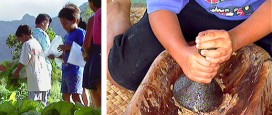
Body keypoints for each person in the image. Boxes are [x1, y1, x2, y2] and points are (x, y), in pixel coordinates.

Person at [107, 0, 272, 91]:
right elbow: (162, 6)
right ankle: (118, 7)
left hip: (258, 16)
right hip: (189, 7)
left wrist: (236, 39)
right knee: (123, 73)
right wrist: (182, 53)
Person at [55, 5, 86, 104]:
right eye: (62, 24)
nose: (64, 26)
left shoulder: (80, 33)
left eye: (65, 23)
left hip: (75, 70)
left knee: (76, 96)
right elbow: (66, 54)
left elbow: (84, 50)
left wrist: (68, 47)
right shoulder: (66, 36)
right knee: (66, 96)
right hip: (66, 70)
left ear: (75, 20)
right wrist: (56, 56)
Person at [14, 25, 51, 106]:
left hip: (35, 81)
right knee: (44, 106)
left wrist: (16, 72)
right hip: (44, 79)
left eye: (20, 39)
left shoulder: (27, 44)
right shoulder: (36, 43)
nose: (21, 41)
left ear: (23, 35)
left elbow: (23, 61)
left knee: (35, 107)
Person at [82, 0, 102, 108]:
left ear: (91, 3)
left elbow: (87, 44)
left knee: (98, 100)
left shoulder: (94, 18)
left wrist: (85, 54)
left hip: (97, 57)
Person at [32, 13, 53, 102]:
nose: (48, 26)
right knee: (44, 96)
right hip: (44, 67)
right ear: (44, 22)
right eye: (48, 24)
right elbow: (48, 52)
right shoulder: (43, 35)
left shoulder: (31, 34)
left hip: (33, 68)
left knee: (35, 96)